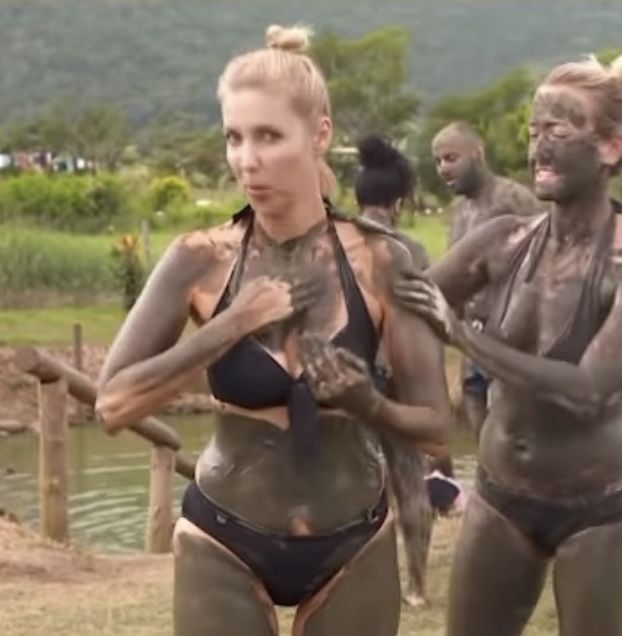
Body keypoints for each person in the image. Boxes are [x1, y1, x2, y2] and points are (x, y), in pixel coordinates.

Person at [96, 25, 450, 636]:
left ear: (320, 135)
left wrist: (368, 402)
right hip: (224, 536)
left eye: (268, 136)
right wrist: (231, 324)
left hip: (353, 540)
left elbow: (437, 428)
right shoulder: (199, 259)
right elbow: (112, 405)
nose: (247, 160)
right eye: (234, 138)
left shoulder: (382, 260)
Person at [394, 54, 622, 635]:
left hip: (601, 502)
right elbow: (404, 302)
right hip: (503, 493)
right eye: (532, 132)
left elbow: (588, 390)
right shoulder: (503, 241)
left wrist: (462, 336)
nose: (538, 148)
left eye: (557, 132)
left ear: (609, 148)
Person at [354, 134, 434, 607]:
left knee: (358, 483)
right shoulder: (412, 250)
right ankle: (417, 587)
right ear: (399, 202)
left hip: (352, 378)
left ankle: (361, 582)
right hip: (402, 376)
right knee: (410, 482)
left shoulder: (336, 242)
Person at [432, 122, 542, 436]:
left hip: (511, 343)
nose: (443, 168)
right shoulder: (459, 210)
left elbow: (544, 267)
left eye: (451, 158)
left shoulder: (514, 200)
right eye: (438, 161)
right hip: (472, 341)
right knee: (481, 437)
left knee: (511, 435)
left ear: (478, 153)